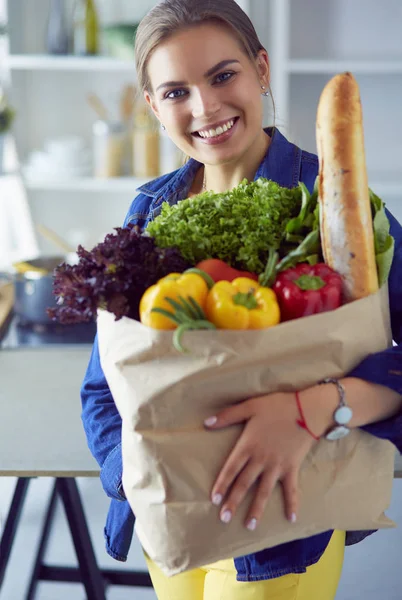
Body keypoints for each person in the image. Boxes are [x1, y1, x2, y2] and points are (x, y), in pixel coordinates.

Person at [81, 1, 402, 598]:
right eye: (176, 91)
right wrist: (131, 473)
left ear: (261, 69)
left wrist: (312, 410)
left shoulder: (337, 209)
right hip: (172, 523)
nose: (205, 108)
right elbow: (104, 386)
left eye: (223, 75)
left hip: (283, 523)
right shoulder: (149, 214)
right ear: (153, 106)